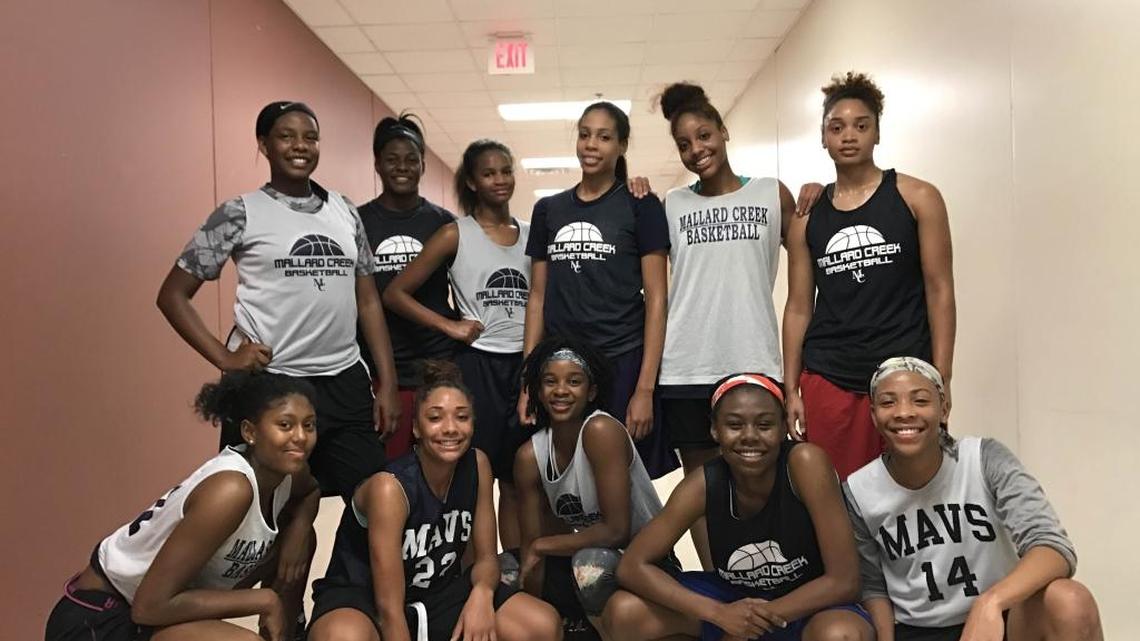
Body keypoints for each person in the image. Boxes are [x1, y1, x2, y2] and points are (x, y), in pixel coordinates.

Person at [157, 100, 399, 500]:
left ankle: (347, 567)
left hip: (343, 382)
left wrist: (386, 382)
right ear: (264, 144)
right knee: (265, 512)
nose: (299, 146)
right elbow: (173, 295)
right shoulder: (238, 213)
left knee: (373, 499)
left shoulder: (345, 211)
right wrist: (225, 357)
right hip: (270, 384)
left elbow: (369, 301)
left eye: (310, 137)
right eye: (286, 136)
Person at [655, 81, 822, 568]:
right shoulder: (672, 204)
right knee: (702, 490)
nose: (696, 150)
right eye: (684, 144)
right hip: (686, 365)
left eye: (704, 135)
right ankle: (716, 582)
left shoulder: (773, 194)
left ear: (723, 132)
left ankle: (765, 574)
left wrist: (820, 196)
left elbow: (814, 258)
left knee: (762, 481)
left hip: (754, 362)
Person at [44, 372, 322, 641]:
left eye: (308, 425)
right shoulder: (231, 490)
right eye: (285, 425)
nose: (300, 437)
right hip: (101, 618)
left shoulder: (290, 474)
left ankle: (288, 634)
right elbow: (149, 607)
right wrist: (264, 600)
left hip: (152, 616)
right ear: (250, 432)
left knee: (302, 539)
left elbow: (311, 492)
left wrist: (299, 529)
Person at [844, 357, 1103, 641]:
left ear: (943, 409)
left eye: (920, 401)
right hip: (919, 630)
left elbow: (1053, 547)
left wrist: (990, 602)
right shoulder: (859, 490)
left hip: (1000, 618)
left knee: (1070, 601)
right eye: (888, 402)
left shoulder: (984, 459)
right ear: (873, 415)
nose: (904, 412)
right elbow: (874, 585)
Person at [604, 373, 873, 641]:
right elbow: (632, 566)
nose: (749, 436)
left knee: (841, 634)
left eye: (764, 425)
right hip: (733, 597)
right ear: (714, 430)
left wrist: (752, 623)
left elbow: (844, 580)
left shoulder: (804, 462)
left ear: (783, 428)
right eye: (734, 425)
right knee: (624, 612)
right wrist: (719, 613)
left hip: (808, 602)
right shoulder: (703, 484)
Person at [307, 361, 562, 641]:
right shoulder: (390, 488)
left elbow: (487, 559)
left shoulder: (478, 464)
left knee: (542, 624)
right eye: (435, 418)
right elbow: (389, 608)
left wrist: (481, 594)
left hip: (437, 593)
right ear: (416, 428)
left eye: (462, 417)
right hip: (363, 598)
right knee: (344, 637)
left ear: (473, 424)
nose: (450, 428)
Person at [783, 72, 956, 479]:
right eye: (836, 127)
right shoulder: (807, 220)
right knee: (837, 498)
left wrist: (941, 378)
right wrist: (791, 388)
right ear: (822, 137)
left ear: (877, 133)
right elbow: (797, 308)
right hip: (829, 376)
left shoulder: (918, 198)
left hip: (904, 372)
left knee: (910, 490)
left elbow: (940, 291)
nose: (848, 136)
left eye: (861, 126)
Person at [383, 139, 532, 550]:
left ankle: (516, 572)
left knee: (518, 478)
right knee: (474, 476)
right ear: (472, 180)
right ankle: (470, 574)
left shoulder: (533, 235)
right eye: (488, 173)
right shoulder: (454, 233)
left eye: (506, 171)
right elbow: (395, 293)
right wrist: (449, 326)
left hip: (522, 366)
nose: (499, 180)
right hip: (477, 365)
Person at [521, 100, 677, 479]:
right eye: (585, 134)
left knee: (622, 481)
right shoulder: (548, 210)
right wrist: (528, 382)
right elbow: (537, 297)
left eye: (604, 137)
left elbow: (657, 299)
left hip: (622, 359)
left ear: (621, 146)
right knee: (563, 479)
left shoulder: (640, 207)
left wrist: (643, 388)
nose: (591, 144)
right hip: (563, 367)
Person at [514, 337, 670, 639]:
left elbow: (616, 531)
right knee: (504, 570)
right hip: (586, 564)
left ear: (591, 391)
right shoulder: (529, 456)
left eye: (574, 381)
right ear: (538, 389)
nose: (561, 390)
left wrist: (542, 546)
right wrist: (536, 617)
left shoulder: (601, 431)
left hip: (645, 562)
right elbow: (531, 550)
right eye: (550, 381)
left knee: (590, 564)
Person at [357, 112, 461, 461]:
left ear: (422, 165)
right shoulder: (357, 222)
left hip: (437, 365)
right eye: (392, 159)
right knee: (390, 473)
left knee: (439, 467)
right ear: (377, 164)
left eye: (411, 160)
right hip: (379, 368)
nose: (402, 167)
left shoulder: (443, 223)